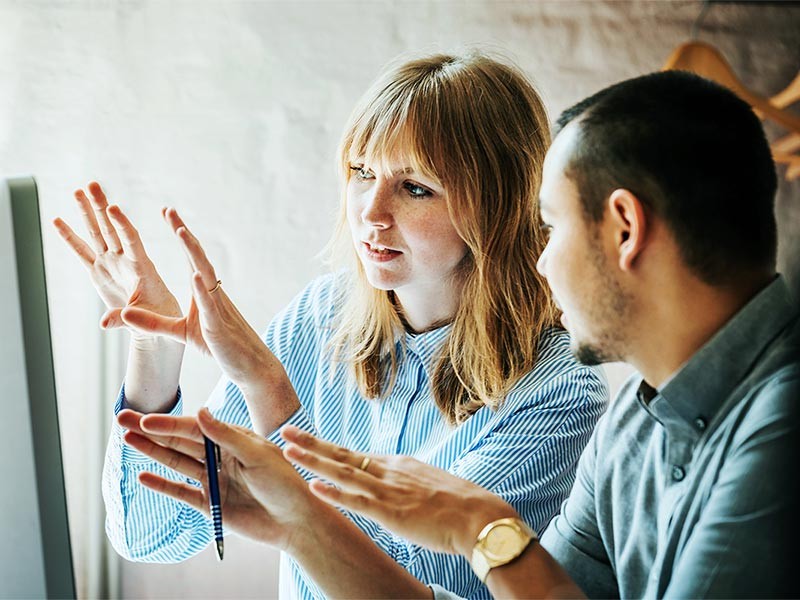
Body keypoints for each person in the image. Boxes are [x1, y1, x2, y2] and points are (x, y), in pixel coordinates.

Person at [132, 69, 799, 598]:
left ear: (625, 229)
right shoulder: (636, 420)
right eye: (360, 173)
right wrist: (304, 526)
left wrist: (481, 529)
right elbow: (147, 530)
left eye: (554, 225)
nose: (541, 258)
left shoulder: (778, 425)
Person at [54, 52, 608, 599]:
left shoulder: (559, 389)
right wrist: (154, 345)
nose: (370, 211)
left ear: (497, 205)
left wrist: (268, 390)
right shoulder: (320, 316)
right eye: (362, 173)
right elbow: (153, 536)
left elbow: (400, 582)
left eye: (415, 187)